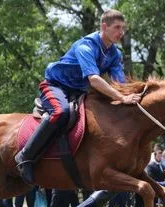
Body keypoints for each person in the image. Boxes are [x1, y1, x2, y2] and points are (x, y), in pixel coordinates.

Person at [15, 9, 142, 184]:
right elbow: (94, 79)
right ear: (104, 26)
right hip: (55, 86)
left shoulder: (114, 54)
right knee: (61, 112)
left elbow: (119, 83)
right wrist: (122, 98)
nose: (121, 32)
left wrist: (134, 95)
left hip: (78, 91)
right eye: (117, 27)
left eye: (123, 28)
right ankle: (25, 157)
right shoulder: (86, 46)